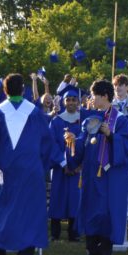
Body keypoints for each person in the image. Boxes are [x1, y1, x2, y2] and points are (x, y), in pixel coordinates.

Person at [0, 74, 54, 255]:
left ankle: (0, 252)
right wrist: (43, 165)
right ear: (23, 90)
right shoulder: (35, 112)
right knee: (31, 210)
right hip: (31, 169)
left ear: (5, 91)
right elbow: (47, 143)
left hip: (8, 170)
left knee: (5, 208)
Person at [70, 80, 128, 255]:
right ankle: (91, 249)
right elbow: (83, 141)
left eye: (94, 95)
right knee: (90, 208)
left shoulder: (119, 119)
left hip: (108, 174)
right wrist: (73, 141)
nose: (91, 99)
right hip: (91, 173)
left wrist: (111, 135)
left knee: (106, 210)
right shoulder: (90, 118)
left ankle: (105, 250)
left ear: (104, 96)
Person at [47, 86, 83, 242]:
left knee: (75, 199)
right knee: (58, 198)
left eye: (74, 99)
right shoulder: (56, 121)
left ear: (78, 102)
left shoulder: (83, 121)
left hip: (77, 169)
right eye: (68, 99)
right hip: (60, 167)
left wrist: (79, 165)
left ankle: (73, 233)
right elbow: (51, 144)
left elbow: (86, 142)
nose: (71, 102)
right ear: (63, 101)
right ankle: (55, 232)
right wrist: (63, 163)